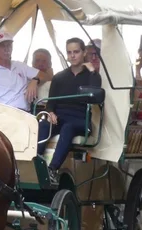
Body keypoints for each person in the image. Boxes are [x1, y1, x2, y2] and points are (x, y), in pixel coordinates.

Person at [37, 37, 102, 182]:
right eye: (69, 52)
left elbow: (95, 94)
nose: (72, 56)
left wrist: (92, 70)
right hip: (60, 116)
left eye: (76, 52)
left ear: (84, 52)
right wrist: (51, 112)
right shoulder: (59, 77)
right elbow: (51, 102)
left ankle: (53, 169)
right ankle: (36, 163)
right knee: (43, 124)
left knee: (68, 127)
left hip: (81, 119)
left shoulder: (92, 75)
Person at [0, 30, 52, 112]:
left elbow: (47, 76)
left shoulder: (20, 66)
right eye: (3, 46)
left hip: (25, 113)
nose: (7, 49)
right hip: (4, 113)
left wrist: (35, 80)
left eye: (9, 45)